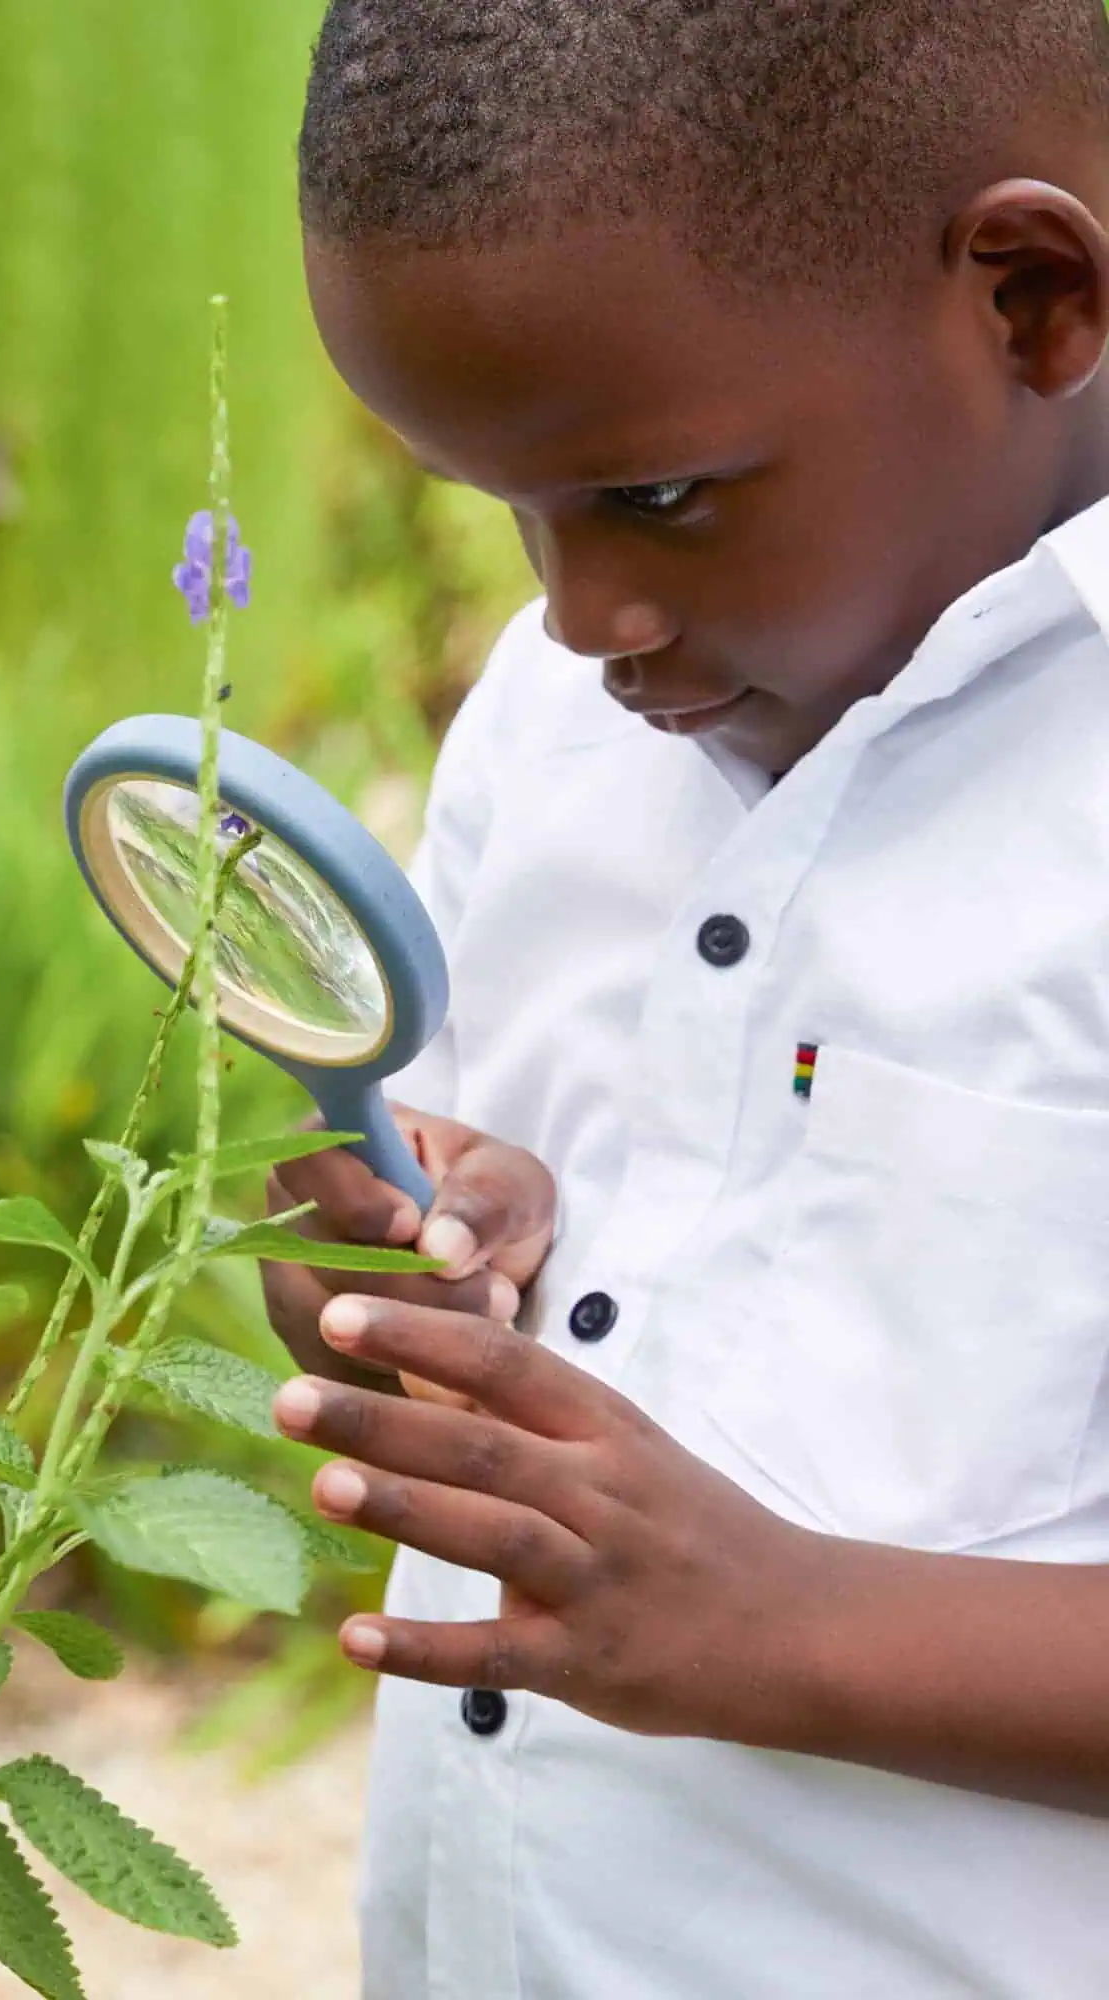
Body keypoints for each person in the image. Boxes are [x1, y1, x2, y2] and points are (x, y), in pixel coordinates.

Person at [260, 1, 1109, 1993]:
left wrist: (781, 1622)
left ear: (1026, 297)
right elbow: (480, 1237)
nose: (580, 619)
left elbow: (710, 1598)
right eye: (510, 512)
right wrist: (397, 1265)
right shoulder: (556, 729)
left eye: (654, 500)